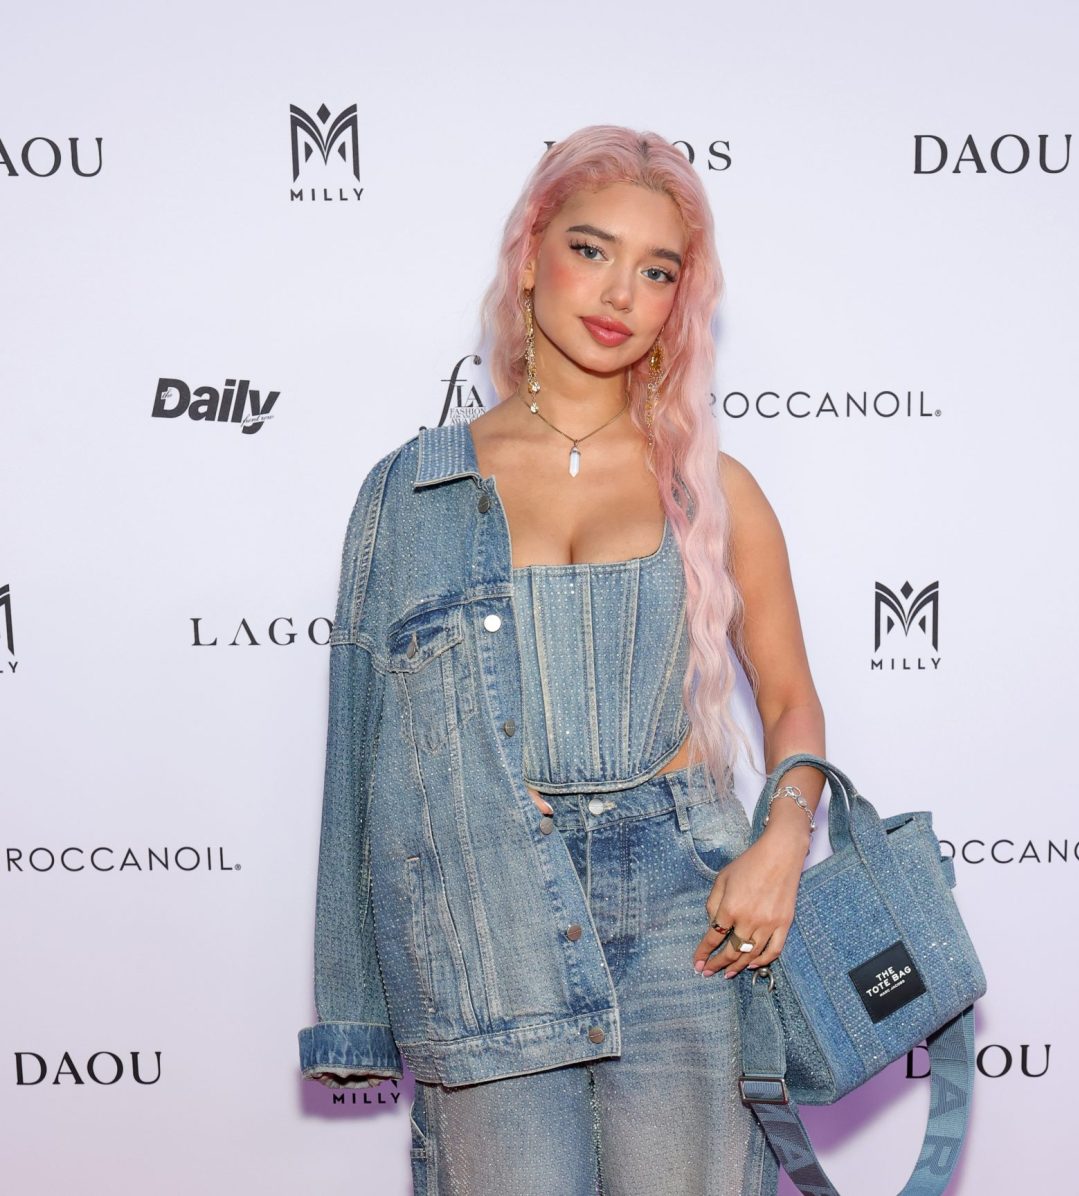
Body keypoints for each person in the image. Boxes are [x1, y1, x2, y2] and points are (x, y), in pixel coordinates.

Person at [298, 125, 826, 1196]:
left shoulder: (715, 491)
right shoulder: (410, 491)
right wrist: (352, 1010)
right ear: (531, 252)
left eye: (657, 270)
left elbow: (788, 698)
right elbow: (359, 758)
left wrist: (781, 836)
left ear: (680, 301)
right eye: (592, 249)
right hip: (482, 914)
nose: (620, 292)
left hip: (688, 913)